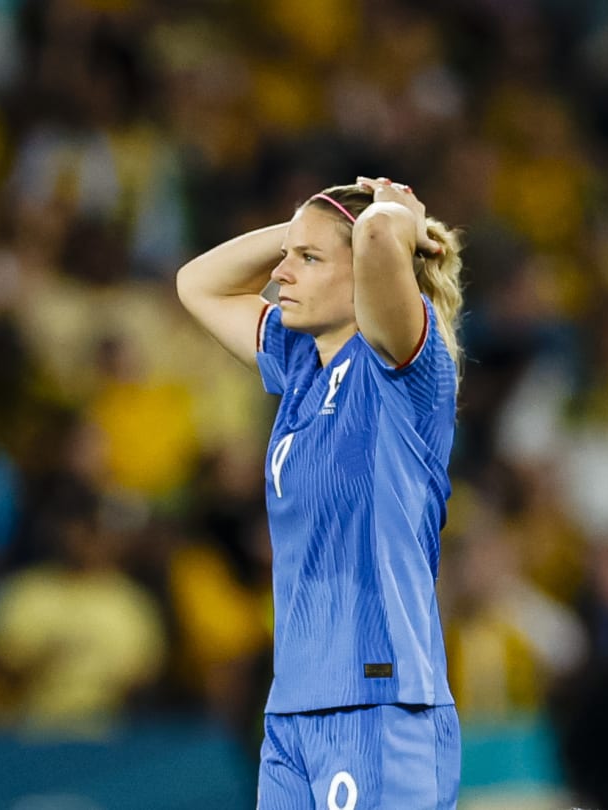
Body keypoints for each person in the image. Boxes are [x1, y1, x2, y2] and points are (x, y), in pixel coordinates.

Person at [176, 177, 465, 808]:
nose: (280, 273)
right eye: (288, 256)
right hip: (293, 712)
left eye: (308, 260)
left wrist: (393, 217)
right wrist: (304, 230)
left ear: (363, 272)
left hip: (380, 703)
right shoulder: (300, 363)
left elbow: (379, 234)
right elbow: (197, 283)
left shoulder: (402, 367)